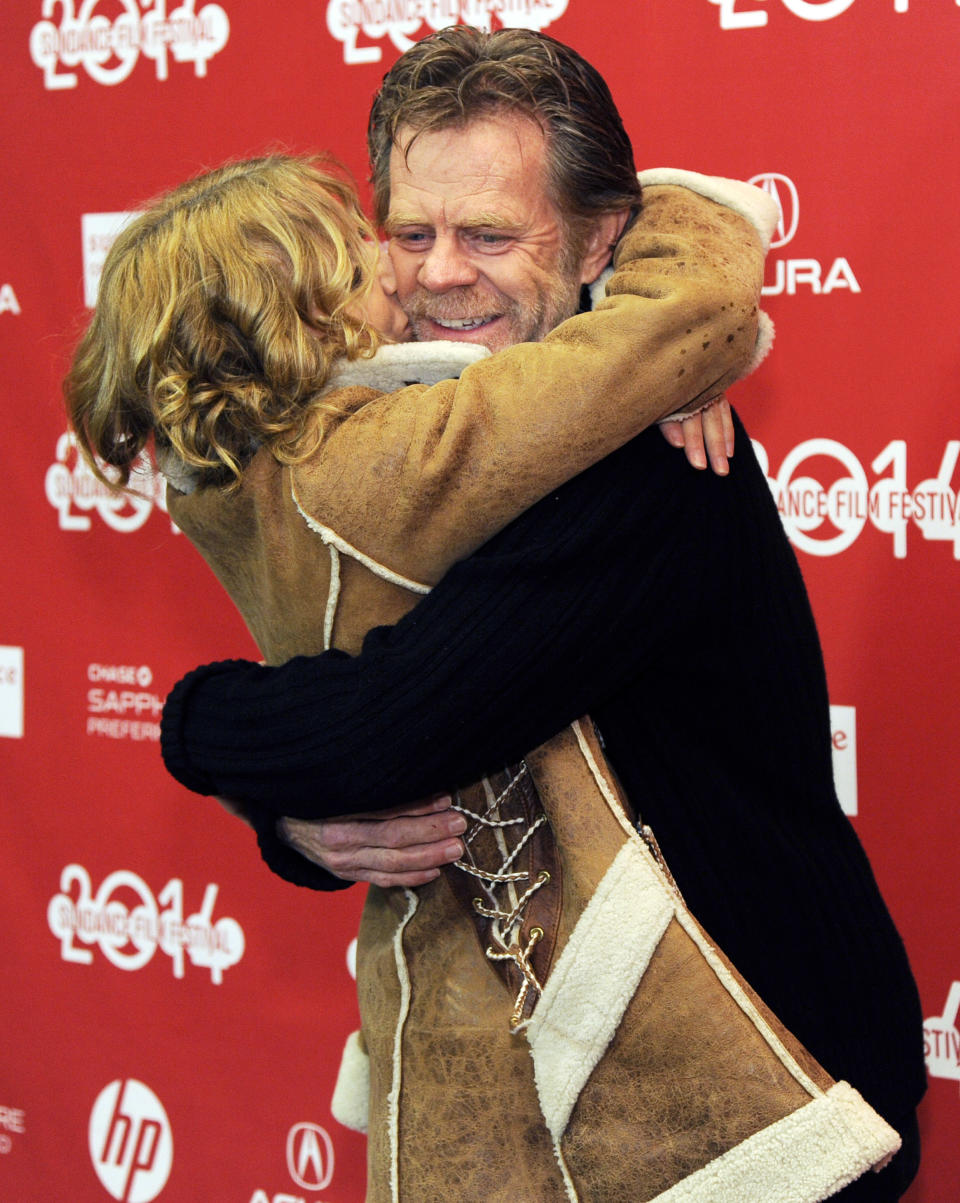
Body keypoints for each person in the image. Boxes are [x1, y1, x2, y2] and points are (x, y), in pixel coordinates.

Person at [157, 27, 925, 1203]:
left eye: (492, 234)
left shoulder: (646, 459)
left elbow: (393, 726)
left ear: (597, 241)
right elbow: (373, 720)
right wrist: (300, 824)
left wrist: (200, 725)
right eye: (411, 234)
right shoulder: (408, 452)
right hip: (556, 1117)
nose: (441, 274)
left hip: (767, 1107)